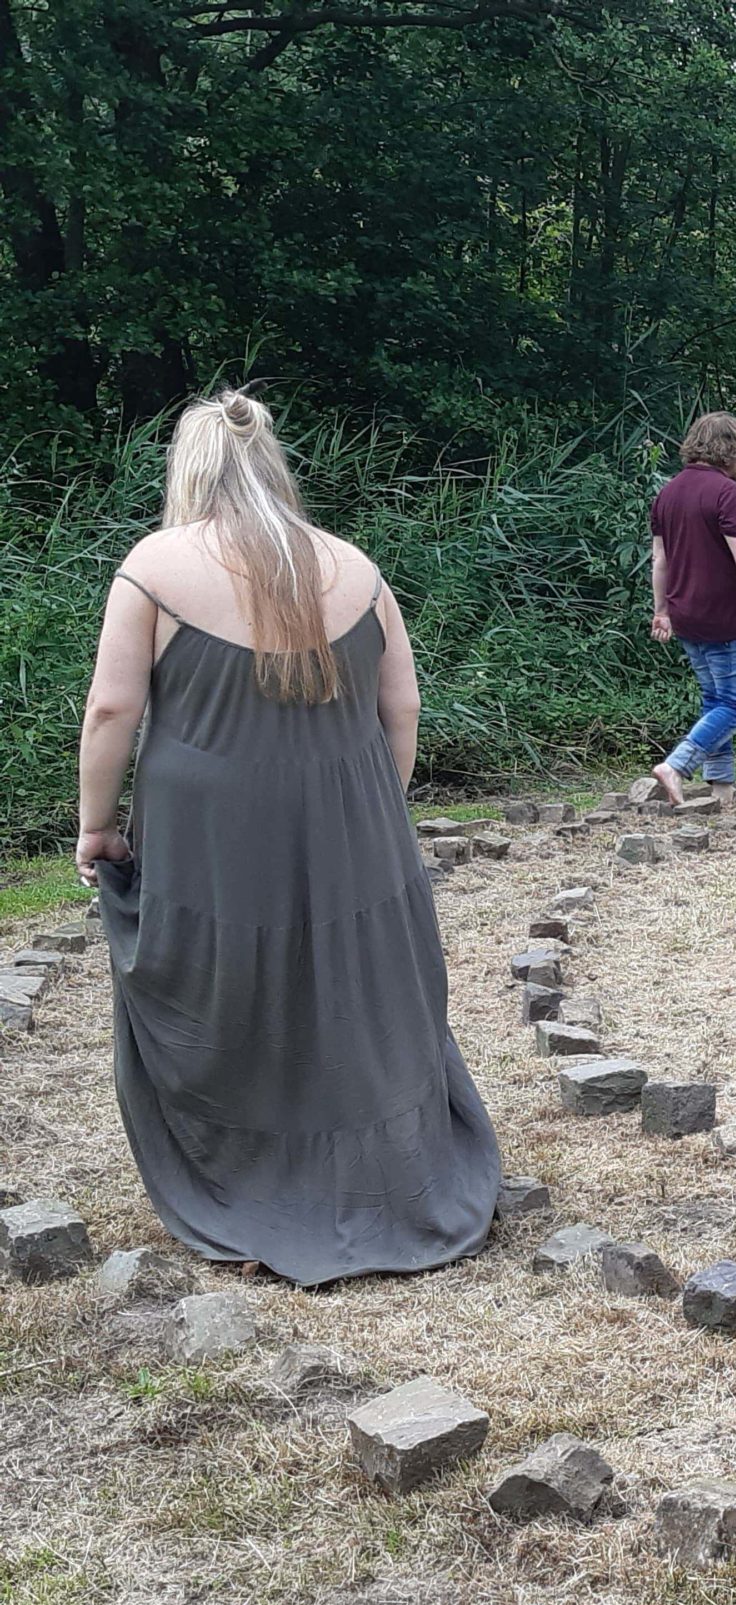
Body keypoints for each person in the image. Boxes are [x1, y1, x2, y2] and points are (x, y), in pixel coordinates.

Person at [74, 390, 501, 1286]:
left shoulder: (155, 565)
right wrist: (376, 808)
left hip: (210, 831)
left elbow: (113, 707)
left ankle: (250, 1170)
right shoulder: (354, 566)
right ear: (273, 464)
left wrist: (96, 826)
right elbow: (403, 706)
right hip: (352, 817)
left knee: (230, 985)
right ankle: (381, 1173)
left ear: (189, 470)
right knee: (349, 991)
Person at [637, 411, 736, 805]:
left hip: (685, 615)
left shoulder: (667, 493)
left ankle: (720, 788)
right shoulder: (726, 492)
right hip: (727, 617)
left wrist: (662, 611)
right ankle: (677, 764)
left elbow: (660, 560)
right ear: (732, 449)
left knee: (714, 701)